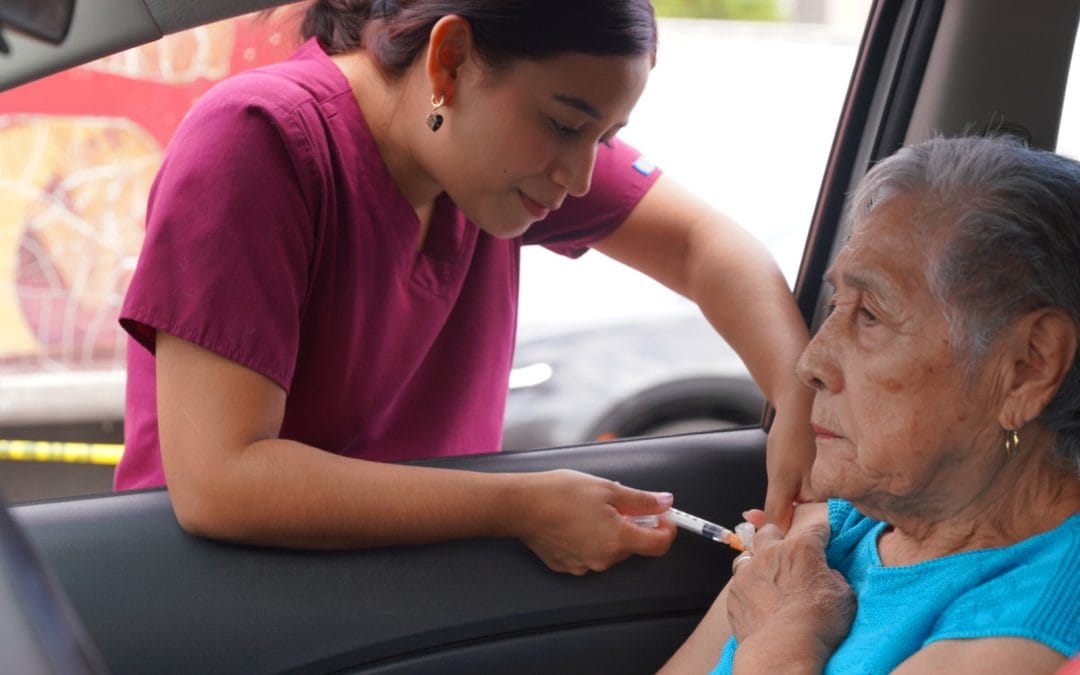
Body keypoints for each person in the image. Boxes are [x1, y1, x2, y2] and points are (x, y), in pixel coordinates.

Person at [114, 0, 816, 575]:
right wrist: (519, 506)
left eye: (602, 140)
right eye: (566, 125)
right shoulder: (260, 138)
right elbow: (221, 482)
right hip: (226, 597)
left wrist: (797, 398)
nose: (577, 176)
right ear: (449, 61)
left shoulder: (478, 157)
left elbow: (705, 245)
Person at [662, 135, 1080, 672]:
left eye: (871, 316)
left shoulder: (1039, 610)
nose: (809, 362)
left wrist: (781, 640)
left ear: (1027, 367)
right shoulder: (847, 525)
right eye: (837, 303)